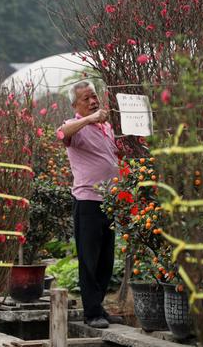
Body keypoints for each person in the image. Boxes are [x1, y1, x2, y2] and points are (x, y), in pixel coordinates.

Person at [58, 81, 121, 329]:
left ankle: (99, 308)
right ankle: (91, 313)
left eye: (94, 96)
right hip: (88, 202)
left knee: (106, 260)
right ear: (76, 106)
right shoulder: (76, 127)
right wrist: (90, 118)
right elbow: (62, 133)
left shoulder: (106, 127)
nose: (93, 101)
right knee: (89, 259)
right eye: (86, 99)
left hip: (111, 203)